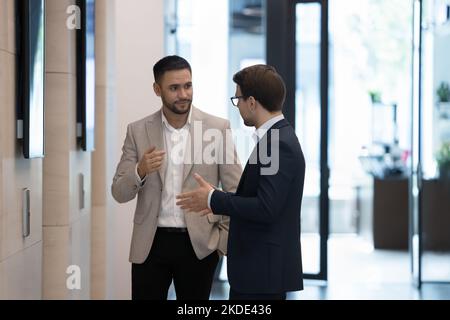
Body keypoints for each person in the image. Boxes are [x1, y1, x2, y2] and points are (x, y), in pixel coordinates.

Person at [111, 55, 242, 300]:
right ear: (157, 89)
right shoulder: (137, 131)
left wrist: (221, 240)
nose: (183, 94)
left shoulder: (217, 128)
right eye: (174, 88)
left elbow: (236, 190)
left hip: (200, 246)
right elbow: (118, 192)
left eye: (187, 86)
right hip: (150, 244)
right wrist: (139, 170)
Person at [176, 64, 305, 300]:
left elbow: (266, 207)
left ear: (252, 102)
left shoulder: (276, 143)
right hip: (260, 271)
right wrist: (215, 198)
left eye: (238, 100)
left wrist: (214, 199)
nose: (238, 107)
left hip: (261, 273)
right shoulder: (275, 138)